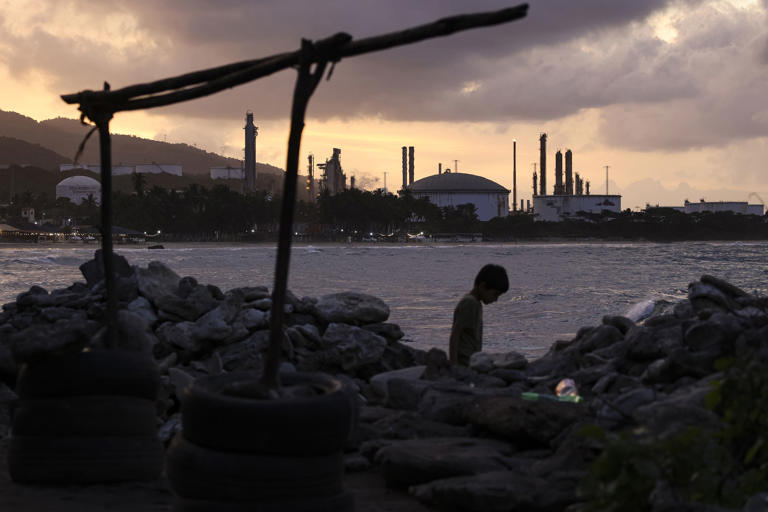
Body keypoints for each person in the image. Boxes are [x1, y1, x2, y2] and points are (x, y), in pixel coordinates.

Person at [449, 263, 509, 366]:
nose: (495, 299)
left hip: (471, 362)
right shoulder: (469, 303)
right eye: (495, 294)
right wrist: (453, 365)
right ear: (482, 286)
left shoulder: (476, 303)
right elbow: (455, 334)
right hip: (463, 363)